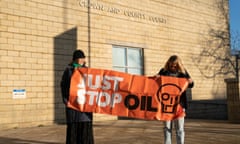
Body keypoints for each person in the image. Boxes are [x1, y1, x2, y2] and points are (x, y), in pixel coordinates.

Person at [157, 55, 194, 144]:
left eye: (175, 66)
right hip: (166, 105)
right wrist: (156, 78)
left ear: (178, 65)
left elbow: (191, 84)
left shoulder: (183, 72)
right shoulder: (163, 71)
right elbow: (156, 82)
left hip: (179, 105)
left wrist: (191, 81)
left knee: (180, 129)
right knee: (166, 128)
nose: (173, 67)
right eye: (171, 65)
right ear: (168, 64)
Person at [60, 49, 94, 144]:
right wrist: (66, 101)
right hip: (73, 107)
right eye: (78, 58)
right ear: (74, 60)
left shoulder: (88, 71)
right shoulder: (68, 71)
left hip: (85, 108)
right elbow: (63, 86)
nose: (80, 61)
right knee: (73, 130)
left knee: (85, 130)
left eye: (82, 58)